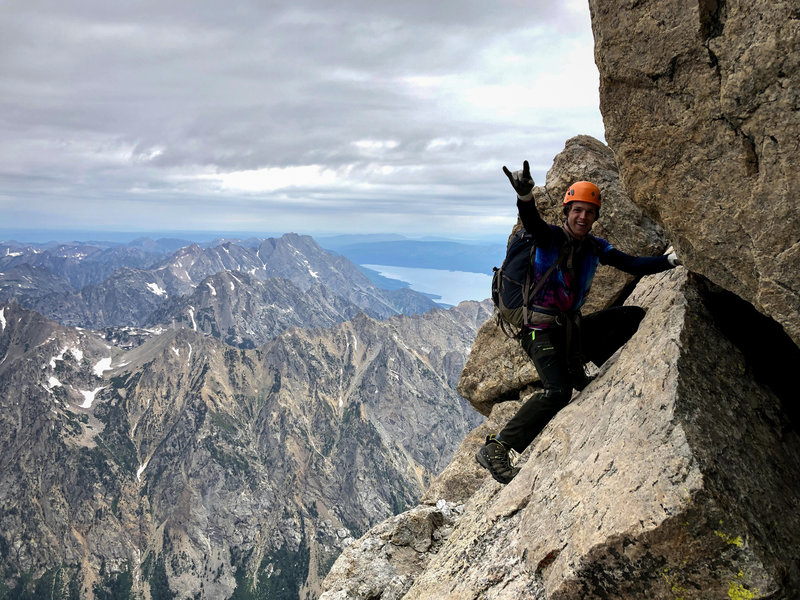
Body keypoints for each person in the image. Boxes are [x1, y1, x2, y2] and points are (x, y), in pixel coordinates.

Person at [475, 160, 680, 484]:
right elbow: (533, 222)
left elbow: (633, 263)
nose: (582, 216)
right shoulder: (549, 239)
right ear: (567, 211)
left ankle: (577, 368)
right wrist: (525, 196)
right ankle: (498, 448)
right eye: (577, 210)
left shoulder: (595, 247)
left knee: (631, 316)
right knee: (557, 392)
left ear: (595, 216)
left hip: (568, 329)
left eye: (589, 211)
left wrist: (671, 260)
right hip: (538, 333)